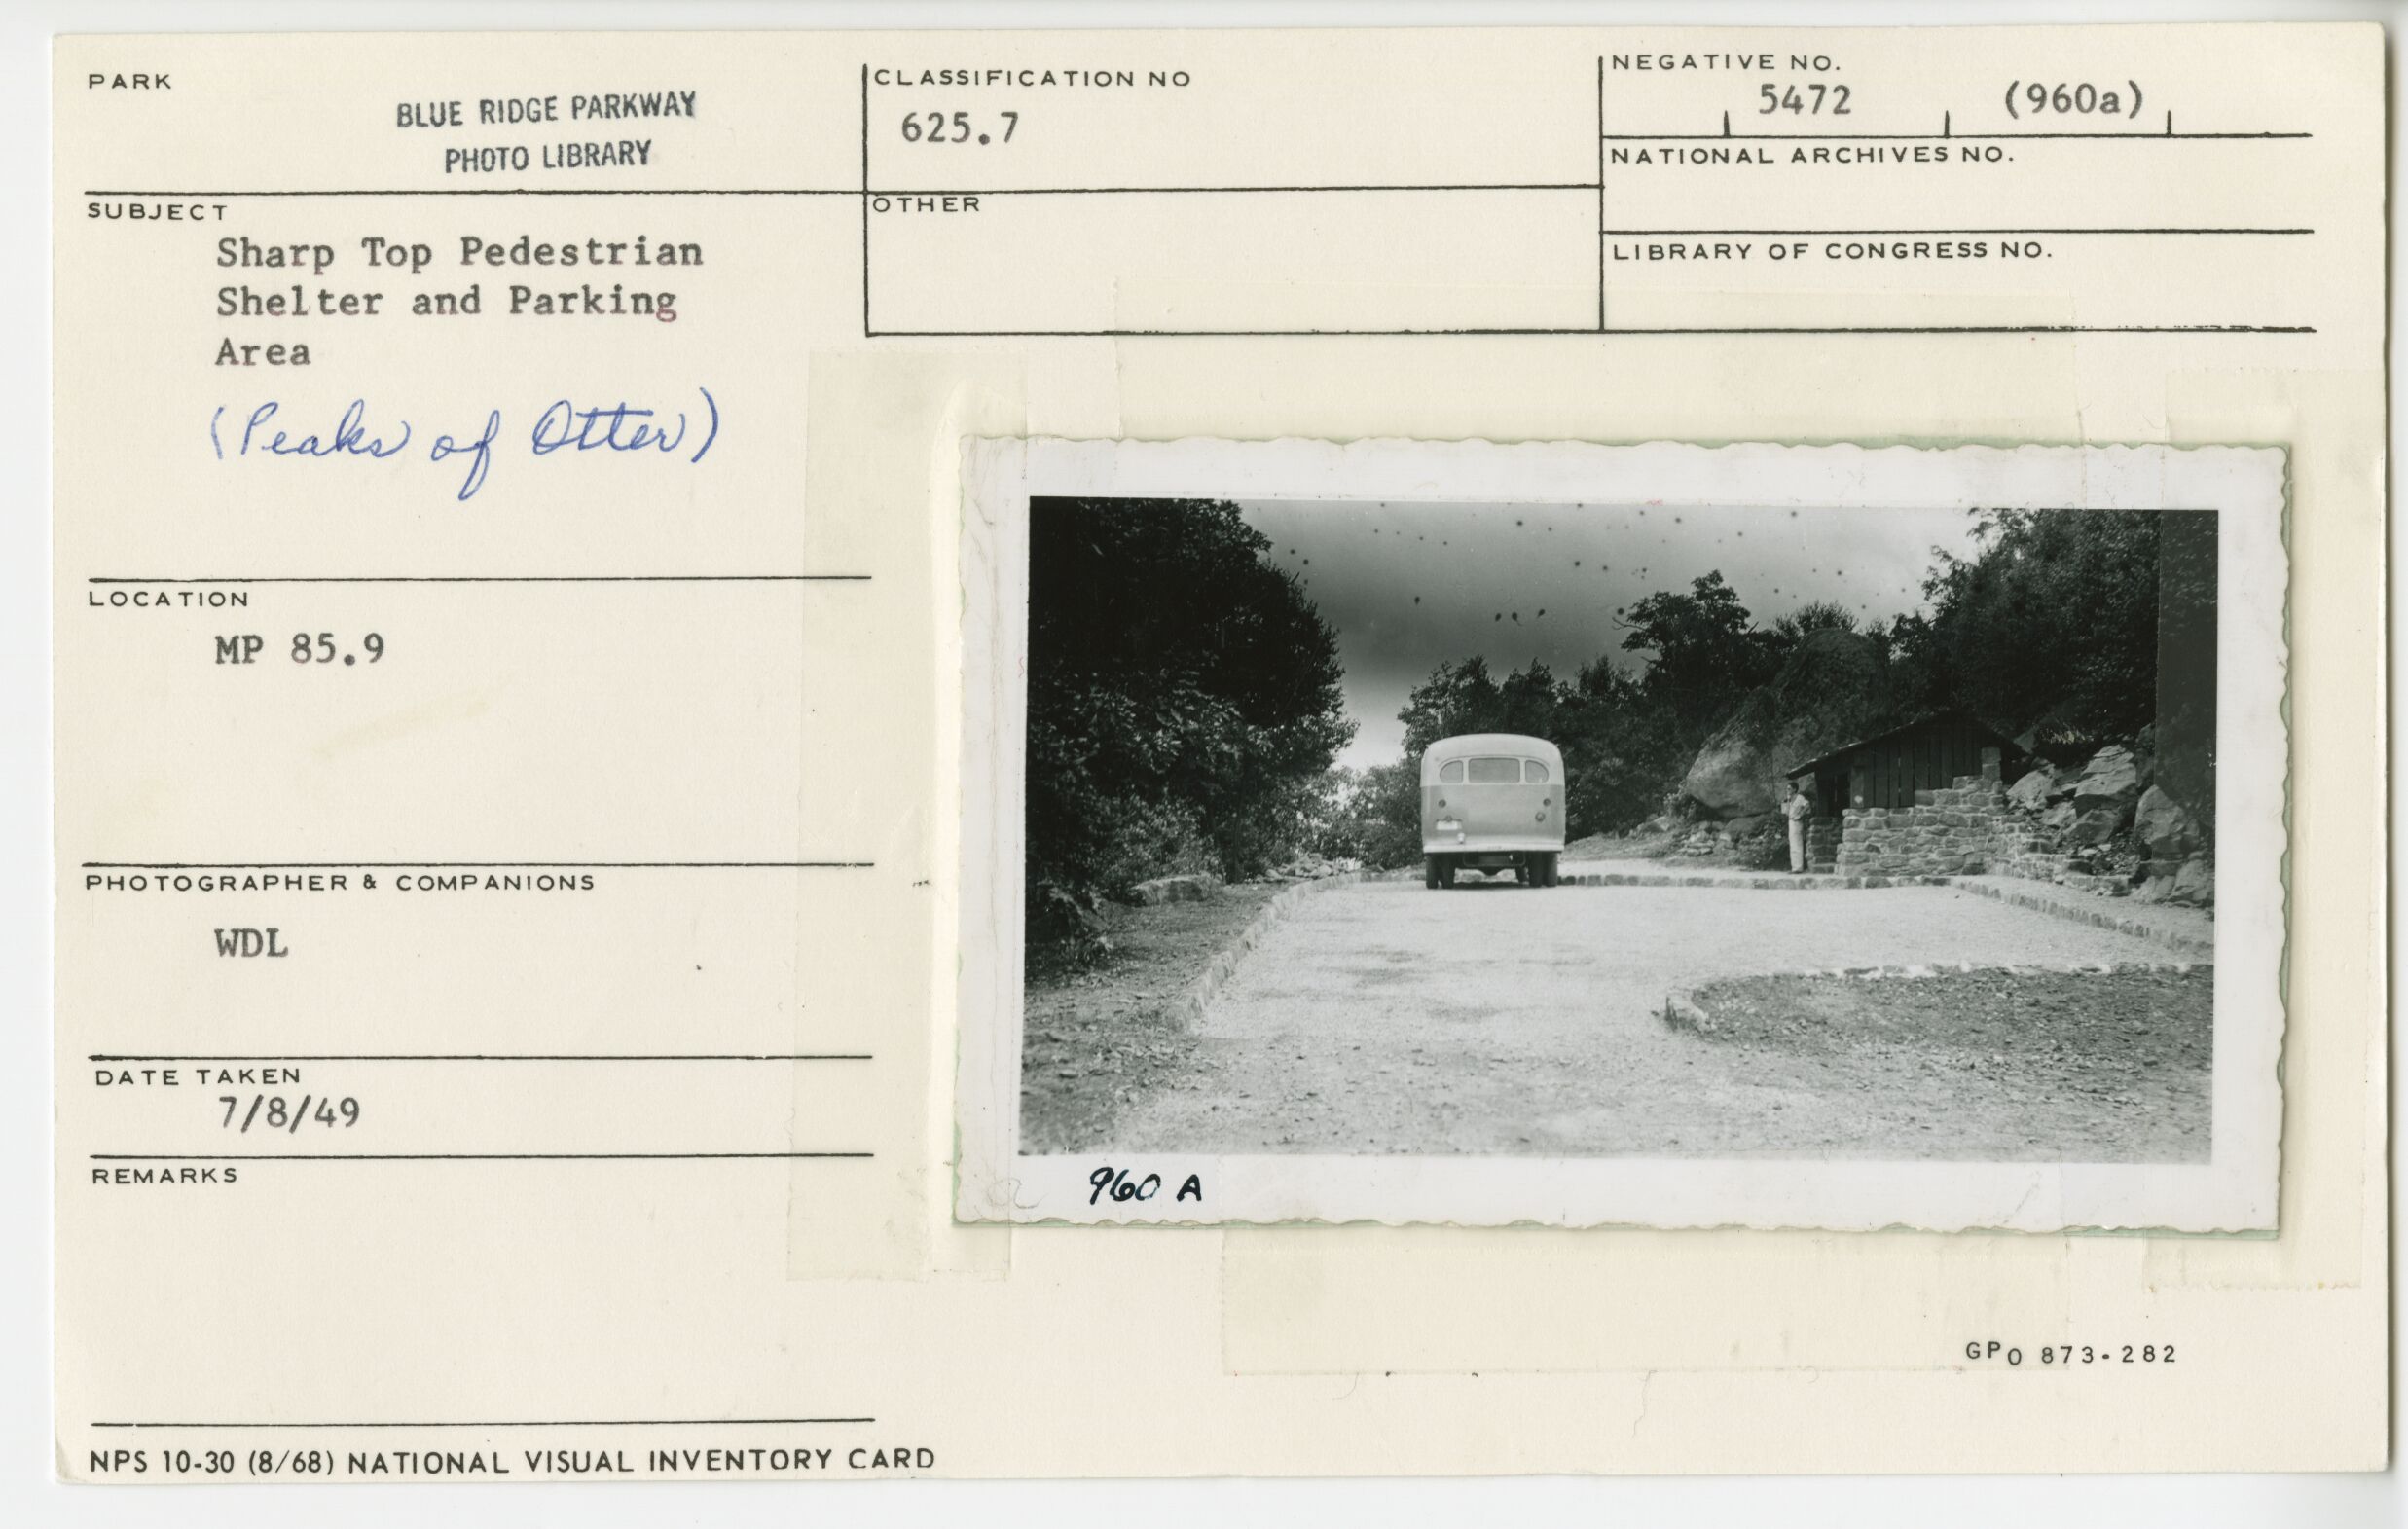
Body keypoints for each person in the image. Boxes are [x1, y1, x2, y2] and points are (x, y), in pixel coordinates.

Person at [1783, 782, 1813, 873]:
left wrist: (1800, 815)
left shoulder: (1800, 798)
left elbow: (1807, 805)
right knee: (1793, 844)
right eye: (1787, 789)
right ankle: (1795, 867)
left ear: (1794, 789)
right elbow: (1786, 812)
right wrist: (1786, 804)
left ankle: (1797, 868)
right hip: (1790, 821)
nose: (1787, 790)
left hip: (1796, 822)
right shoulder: (1789, 799)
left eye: (1789, 789)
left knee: (1797, 844)